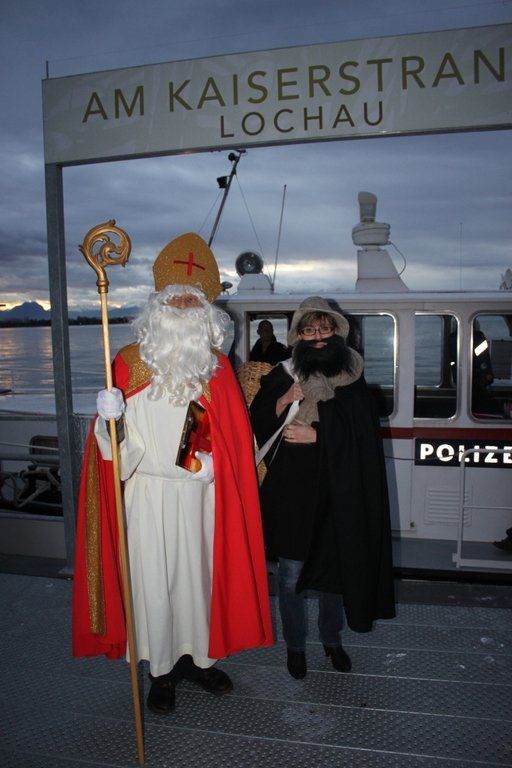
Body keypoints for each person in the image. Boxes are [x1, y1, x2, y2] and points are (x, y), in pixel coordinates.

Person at [72, 232, 273, 715]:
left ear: (206, 310)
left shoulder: (216, 368)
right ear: (157, 304)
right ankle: (160, 671)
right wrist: (109, 420)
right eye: (175, 297)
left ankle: (200, 660)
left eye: (192, 298)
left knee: (198, 582)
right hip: (146, 496)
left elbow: (227, 436)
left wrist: (204, 467)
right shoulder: (127, 362)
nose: (183, 304)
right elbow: (114, 453)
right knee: (154, 584)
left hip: (201, 498)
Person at [250, 296, 395, 680]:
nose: (318, 337)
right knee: (291, 576)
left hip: (338, 489)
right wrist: (285, 398)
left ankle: (332, 640)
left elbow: (363, 431)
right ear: (298, 335)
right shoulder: (283, 372)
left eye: (325, 329)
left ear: (337, 332)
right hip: (293, 490)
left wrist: (319, 435)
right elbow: (257, 421)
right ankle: (295, 647)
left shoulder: (353, 375)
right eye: (310, 330)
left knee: (335, 571)